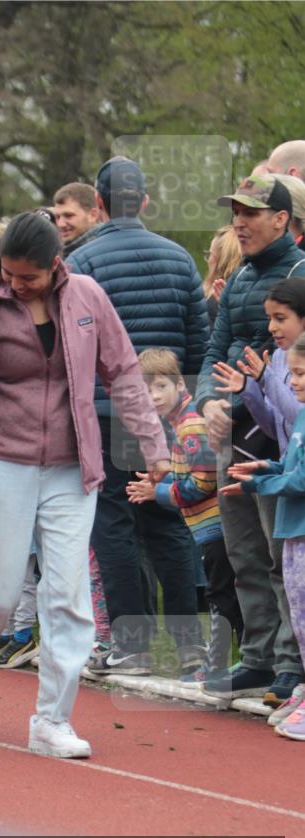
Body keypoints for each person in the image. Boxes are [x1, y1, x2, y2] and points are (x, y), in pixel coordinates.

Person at [0, 211, 170, 758]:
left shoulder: (88, 297)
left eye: (29, 278)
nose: (17, 285)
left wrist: (155, 448)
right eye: (10, 275)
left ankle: (52, 720)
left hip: (72, 467)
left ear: (55, 266)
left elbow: (125, 375)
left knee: (67, 595)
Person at [69, 156, 210, 675]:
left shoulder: (84, 261)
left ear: (99, 204)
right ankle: (191, 649)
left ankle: (132, 647)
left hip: (107, 412)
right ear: (145, 201)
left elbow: (75, 349)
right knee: (169, 521)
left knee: (114, 525)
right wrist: (186, 413)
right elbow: (199, 345)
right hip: (169, 412)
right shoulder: (180, 259)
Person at [196, 174, 305, 704]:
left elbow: (275, 363)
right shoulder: (238, 276)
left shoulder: (299, 272)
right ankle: (258, 657)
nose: (239, 221)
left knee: (279, 554)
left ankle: (290, 663)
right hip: (229, 430)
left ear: (282, 220)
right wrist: (207, 404)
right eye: (236, 211)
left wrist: (230, 406)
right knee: (242, 552)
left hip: (273, 440)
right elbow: (214, 346)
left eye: (252, 212)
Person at [128, 349, 242, 680]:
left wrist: (158, 492)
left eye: (160, 386)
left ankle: (218, 666)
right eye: (146, 391)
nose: (154, 396)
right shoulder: (183, 422)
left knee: (222, 598)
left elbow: (204, 481)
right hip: (210, 529)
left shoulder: (190, 425)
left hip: (216, 528)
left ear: (179, 383)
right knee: (224, 595)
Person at [220, 331, 305, 740]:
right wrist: (263, 470)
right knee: (299, 610)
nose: (296, 383)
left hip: (300, 524)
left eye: (302, 375)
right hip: (293, 526)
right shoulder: (300, 415)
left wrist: (260, 484)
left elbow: (301, 477)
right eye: (293, 376)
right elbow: (286, 454)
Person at [213, 277, 305, 459]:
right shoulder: (279, 356)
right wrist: (248, 390)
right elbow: (273, 428)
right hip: (290, 472)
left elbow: (300, 421)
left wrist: (266, 378)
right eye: (269, 318)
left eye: (280, 318)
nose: (271, 327)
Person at [202, 225, 242, 325]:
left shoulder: (217, 294)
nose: (208, 260)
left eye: (210, 254)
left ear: (221, 259)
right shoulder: (246, 289)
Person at [52, 182, 101, 258]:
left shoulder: (102, 254)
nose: (60, 224)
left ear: (93, 215)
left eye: (68, 215)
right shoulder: (57, 255)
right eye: (57, 217)